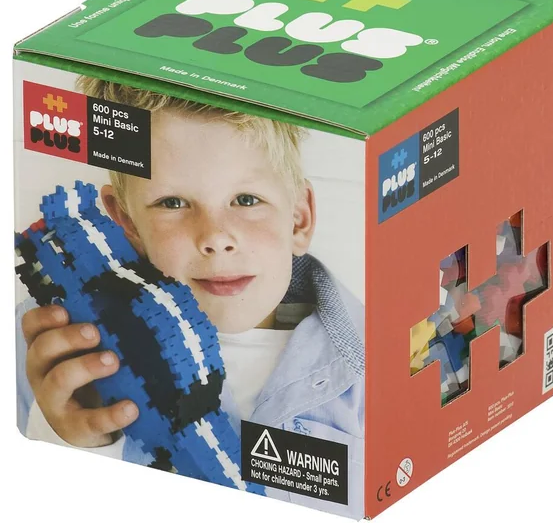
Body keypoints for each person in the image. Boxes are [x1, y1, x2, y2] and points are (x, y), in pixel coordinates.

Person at [16, 77, 365, 518]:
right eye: (173, 203)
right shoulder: (54, 346)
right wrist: (64, 442)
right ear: (126, 224)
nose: (215, 237)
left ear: (298, 218)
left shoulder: (374, 370)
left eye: (246, 199)